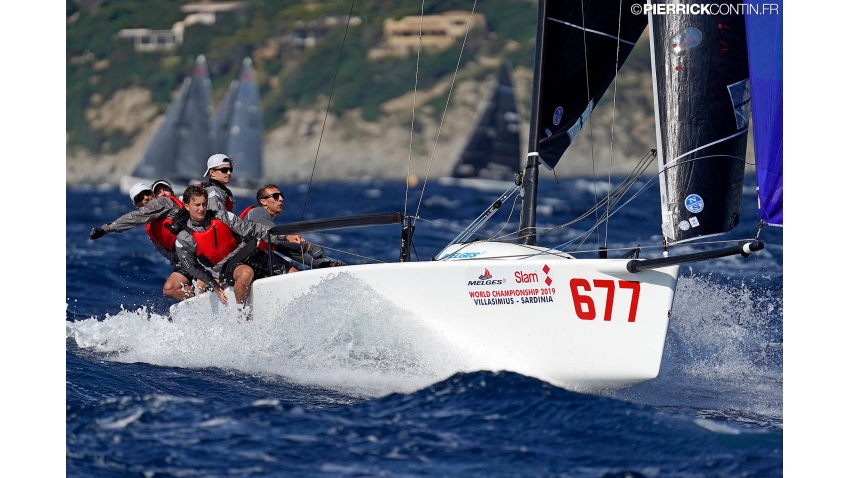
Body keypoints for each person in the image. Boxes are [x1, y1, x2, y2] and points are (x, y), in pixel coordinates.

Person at [173, 185, 305, 307]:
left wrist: (284, 237)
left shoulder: (222, 216)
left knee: (294, 274)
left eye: (204, 204)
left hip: (248, 253)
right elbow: (191, 266)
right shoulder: (184, 238)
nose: (201, 209)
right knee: (246, 273)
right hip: (227, 266)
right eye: (197, 205)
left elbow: (251, 229)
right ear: (186, 206)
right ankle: (241, 316)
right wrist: (213, 283)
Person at [89, 181, 202, 301]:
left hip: (198, 251)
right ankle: (199, 300)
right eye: (140, 197)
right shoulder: (151, 228)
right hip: (183, 259)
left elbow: (136, 217)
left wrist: (107, 228)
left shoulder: (162, 202)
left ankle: (206, 290)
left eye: (147, 193)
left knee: (200, 282)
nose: (146, 198)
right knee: (170, 289)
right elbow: (166, 251)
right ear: (137, 205)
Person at [240, 184, 345, 275]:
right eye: (275, 196)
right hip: (244, 260)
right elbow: (274, 237)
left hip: (257, 258)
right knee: (294, 274)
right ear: (263, 201)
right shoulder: (258, 212)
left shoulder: (267, 224)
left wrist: (324, 263)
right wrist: (307, 247)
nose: (281, 199)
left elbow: (286, 248)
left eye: (282, 195)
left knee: (297, 274)